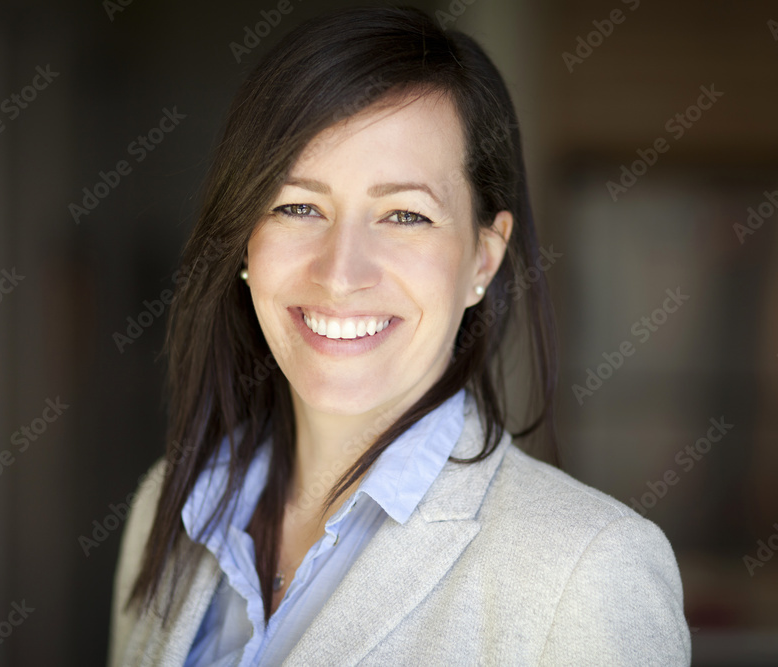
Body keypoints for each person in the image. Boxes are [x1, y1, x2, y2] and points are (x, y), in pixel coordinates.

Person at [108, 6, 691, 666]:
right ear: (245, 240)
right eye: (299, 205)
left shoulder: (587, 571)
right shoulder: (171, 506)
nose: (340, 272)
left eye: (405, 214)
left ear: (482, 258)